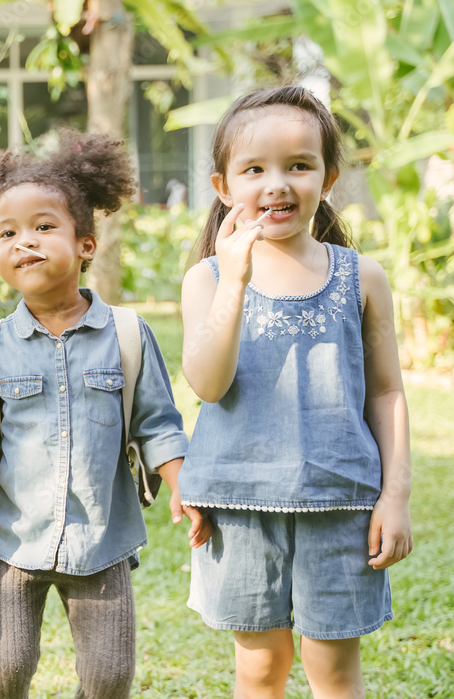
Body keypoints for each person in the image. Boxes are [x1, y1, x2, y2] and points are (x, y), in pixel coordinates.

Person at [0, 130, 211, 699]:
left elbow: (157, 425)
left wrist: (180, 487)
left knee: (108, 674)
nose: (26, 242)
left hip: (102, 537)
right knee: (6, 665)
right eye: (8, 233)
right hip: (14, 538)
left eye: (44, 227)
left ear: (86, 244)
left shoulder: (126, 335)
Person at [179, 86, 413, 698]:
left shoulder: (362, 277)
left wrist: (395, 497)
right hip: (241, 505)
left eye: (299, 166)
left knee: (333, 671)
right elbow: (207, 383)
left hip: (342, 504)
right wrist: (234, 278)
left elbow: (386, 393)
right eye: (254, 169)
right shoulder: (205, 279)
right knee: (259, 668)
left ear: (328, 177)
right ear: (223, 187)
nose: (276, 184)